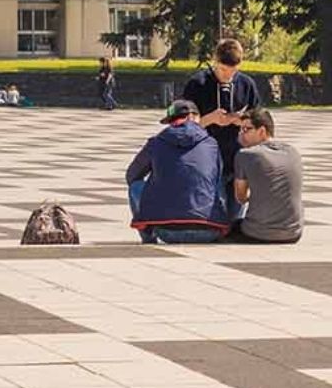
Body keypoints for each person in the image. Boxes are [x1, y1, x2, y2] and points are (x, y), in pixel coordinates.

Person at [125, 100, 229, 244]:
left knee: (135, 186)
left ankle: (148, 236)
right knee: (217, 181)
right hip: (210, 230)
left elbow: (132, 176)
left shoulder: (156, 142)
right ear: (196, 117)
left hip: (167, 232)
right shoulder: (211, 143)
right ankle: (224, 225)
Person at [180, 37, 261, 185]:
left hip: (238, 159)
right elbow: (181, 127)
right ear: (215, 61)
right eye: (223, 70)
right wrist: (208, 119)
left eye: (233, 71)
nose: (228, 76)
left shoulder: (246, 85)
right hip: (204, 160)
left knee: (236, 206)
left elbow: (259, 122)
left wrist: (243, 122)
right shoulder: (198, 84)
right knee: (213, 205)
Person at [228, 109, 302, 244]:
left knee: (228, 227)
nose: (241, 135)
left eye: (246, 129)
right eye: (240, 130)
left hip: (258, 232)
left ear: (262, 131)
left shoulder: (245, 154)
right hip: (294, 232)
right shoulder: (293, 152)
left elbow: (241, 197)